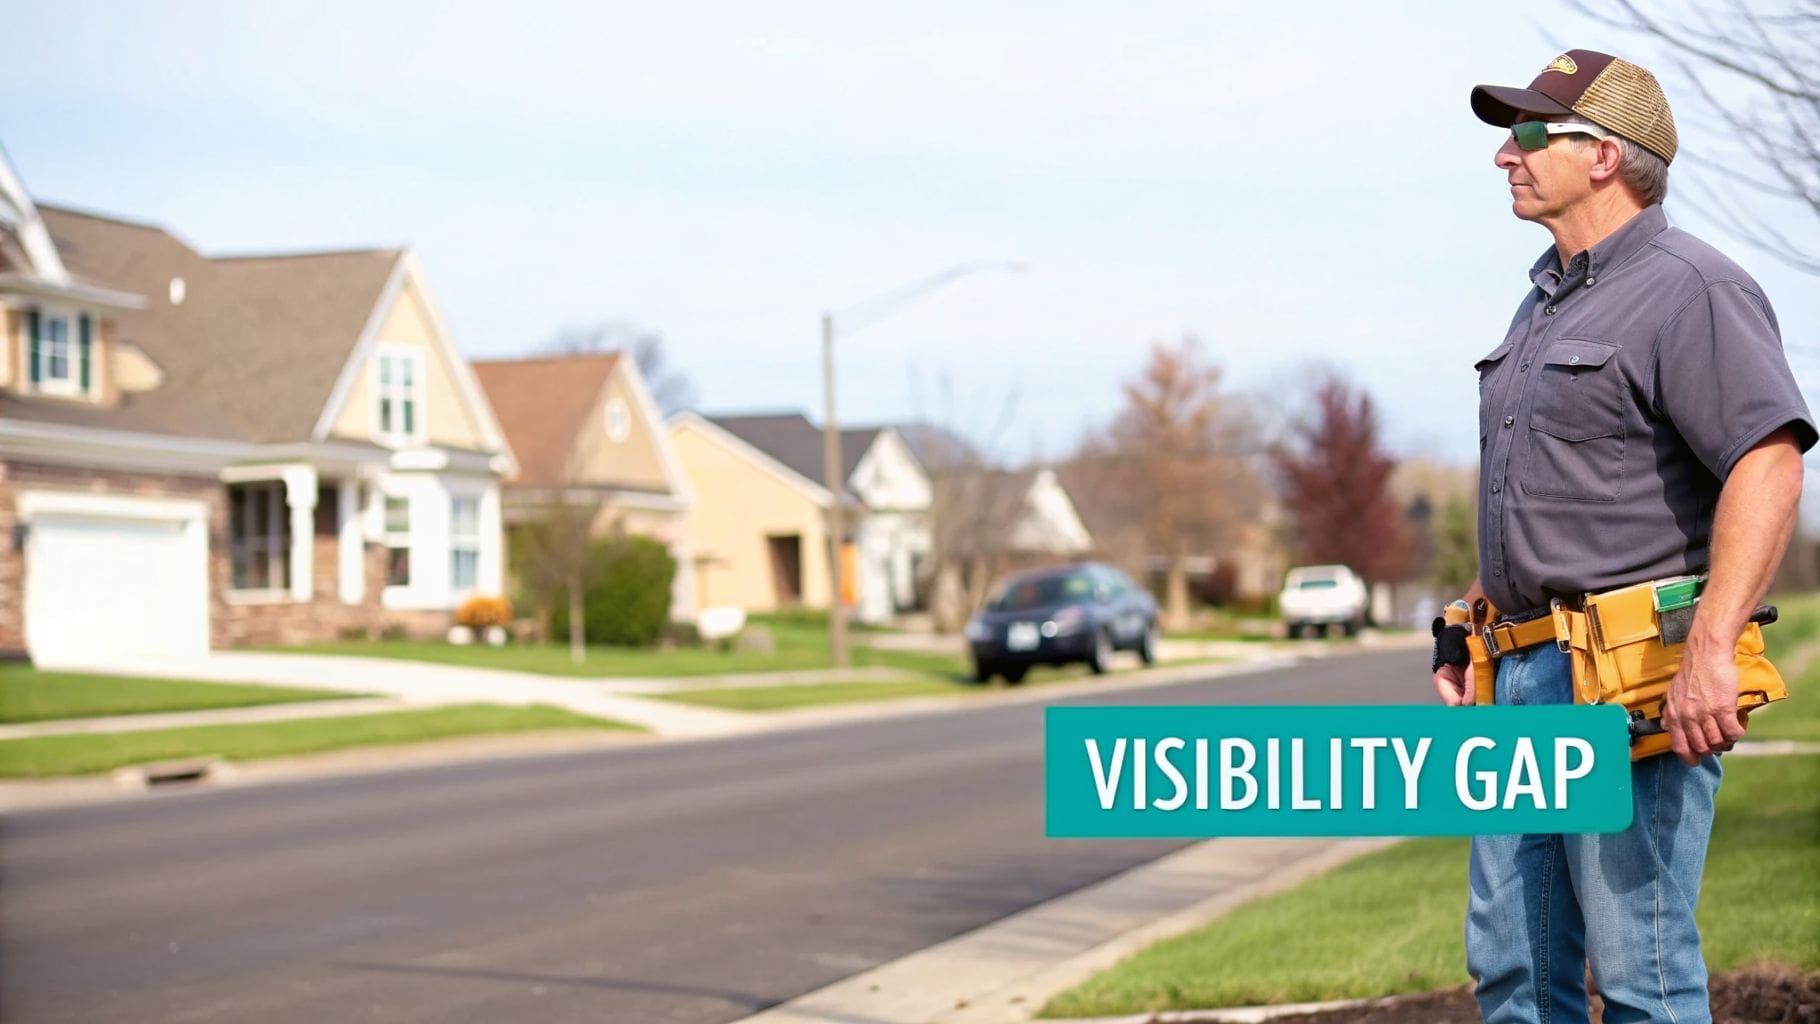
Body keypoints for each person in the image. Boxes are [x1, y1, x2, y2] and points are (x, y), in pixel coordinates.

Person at [1432, 49, 1815, 1023]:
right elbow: (1558, 495)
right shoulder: (1540, 303)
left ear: (1604, 156)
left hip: (1624, 684)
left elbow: (1765, 463)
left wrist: (1713, 651)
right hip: (1516, 680)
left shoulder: (1691, 289)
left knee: (1638, 975)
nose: (1502, 157)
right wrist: (1472, 619)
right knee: (1514, 971)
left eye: (1526, 135)